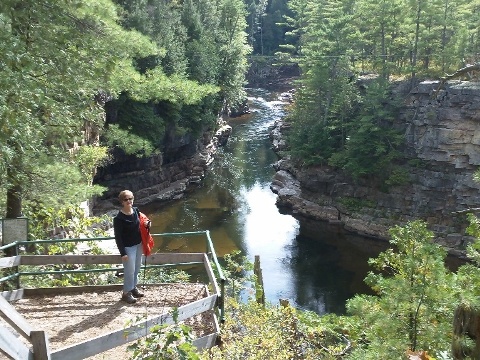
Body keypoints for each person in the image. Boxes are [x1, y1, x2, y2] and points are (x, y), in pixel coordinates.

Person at [113, 190, 150, 304]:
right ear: (122, 202)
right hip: (128, 247)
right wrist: (123, 253)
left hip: (138, 244)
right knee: (129, 270)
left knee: (137, 267)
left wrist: (147, 224)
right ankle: (126, 293)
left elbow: (143, 221)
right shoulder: (118, 219)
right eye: (126, 199)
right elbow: (118, 237)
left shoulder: (136, 211)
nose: (129, 201)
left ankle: (133, 287)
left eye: (130, 199)